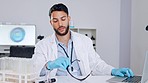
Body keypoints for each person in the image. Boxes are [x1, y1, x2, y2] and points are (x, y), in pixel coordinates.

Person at [32, 3, 134, 79]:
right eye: (55, 21)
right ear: (51, 23)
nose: (60, 24)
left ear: (69, 19)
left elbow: (96, 64)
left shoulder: (84, 41)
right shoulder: (42, 45)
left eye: (63, 19)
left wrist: (113, 70)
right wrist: (49, 65)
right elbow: (34, 71)